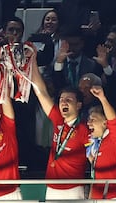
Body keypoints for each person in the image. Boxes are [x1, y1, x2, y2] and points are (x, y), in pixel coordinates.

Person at [31, 48, 90, 199]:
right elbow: (41, 92)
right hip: (51, 186)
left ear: (78, 105)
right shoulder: (58, 120)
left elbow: (94, 156)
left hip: (74, 188)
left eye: (69, 100)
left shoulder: (85, 129)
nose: (63, 102)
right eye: (62, 99)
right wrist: (33, 62)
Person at [86, 85, 116, 199]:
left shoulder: (113, 138)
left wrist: (102, 98)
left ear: (105, 123)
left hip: (113, 196)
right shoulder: (95, 145)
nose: (88, 123)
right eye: (88, 120)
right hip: (97, 196)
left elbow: (113, 120)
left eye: (93, 119)